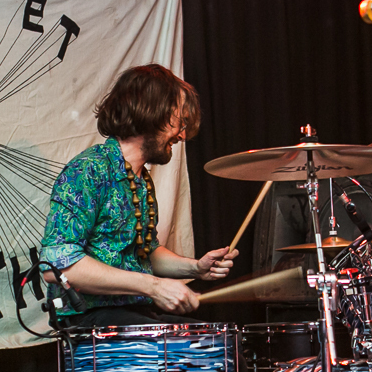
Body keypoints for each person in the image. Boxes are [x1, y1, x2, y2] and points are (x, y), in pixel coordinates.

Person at [39, 64, 235, 326]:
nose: (183, 134)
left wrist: (195, 268)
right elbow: (57, 266)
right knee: (201, 353)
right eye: (179, 120)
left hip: (132, 314)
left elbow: (145, 253)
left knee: (218, 347)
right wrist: (153, 287)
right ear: (152, 113)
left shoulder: (140, 179)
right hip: (89, 320)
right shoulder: (89, 169)